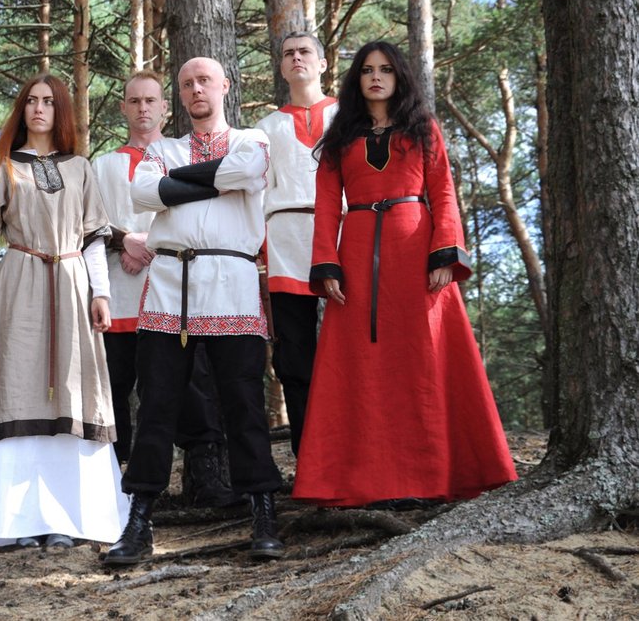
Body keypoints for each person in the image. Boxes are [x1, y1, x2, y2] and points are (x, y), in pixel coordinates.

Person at [292, 41, 518, 507]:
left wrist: (444, 254)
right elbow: (326, 206)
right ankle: (361, 481)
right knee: (361, 366)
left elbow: (444, 191)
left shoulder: (422, 128)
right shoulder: (340, 138)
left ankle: (435, 476)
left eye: (386, 70)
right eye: (367, 70)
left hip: (415, 254)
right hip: (357, 259)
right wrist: (327, 263)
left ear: (400, 77)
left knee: (424, 362)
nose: (376, 77)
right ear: (356, 79)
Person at [0, 74, 129, 547]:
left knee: (73, 394)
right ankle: (16, 522)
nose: (39, 109)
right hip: (21, 286)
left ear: (60, 111)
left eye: (48, 101)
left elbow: (94, 238)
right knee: (14, 387)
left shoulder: (79, 168)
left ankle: (67, 520)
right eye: (31, 101)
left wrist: (101, 295)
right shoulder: (6, 166)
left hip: (72, 284)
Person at [104, 57, 284, 566]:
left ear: (224, 85)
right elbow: (143, 192)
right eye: (187, 84)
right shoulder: (161, 148)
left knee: (244, 406)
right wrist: (219, 180)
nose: (196, 89)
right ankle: (139, 521)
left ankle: (263, 513)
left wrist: (177, 183)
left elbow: (249, 170)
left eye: (204, 80)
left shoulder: (252, 139)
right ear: (180, 96)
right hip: (170, 286)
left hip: (232, 284)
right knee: (157, 407)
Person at [92, 70, 237, 506]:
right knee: (115, 388)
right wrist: (124, 240)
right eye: (134, 101)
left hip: (176, 292)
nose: (143, 109)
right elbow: (85, 222)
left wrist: (150, 244)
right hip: (119, 293)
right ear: (123, 107)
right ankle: (113, 491)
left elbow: (202, 218)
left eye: (150, 101)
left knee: (190, 384)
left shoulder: (181, 156)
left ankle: (206, 478)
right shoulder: (102, 165)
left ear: (164, 107)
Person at [255, 32, 338, 455]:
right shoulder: (265, 129)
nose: (296, 58)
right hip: (285, 238)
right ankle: (310, 458)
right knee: (294, 354)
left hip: (343, 234)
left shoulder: (347, 115)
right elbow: (258, 193)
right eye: (288, 53)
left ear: (322, 63)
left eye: (305, 51)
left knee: (352, 345)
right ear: (282, 67)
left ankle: (357, 453)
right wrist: (259, 248)